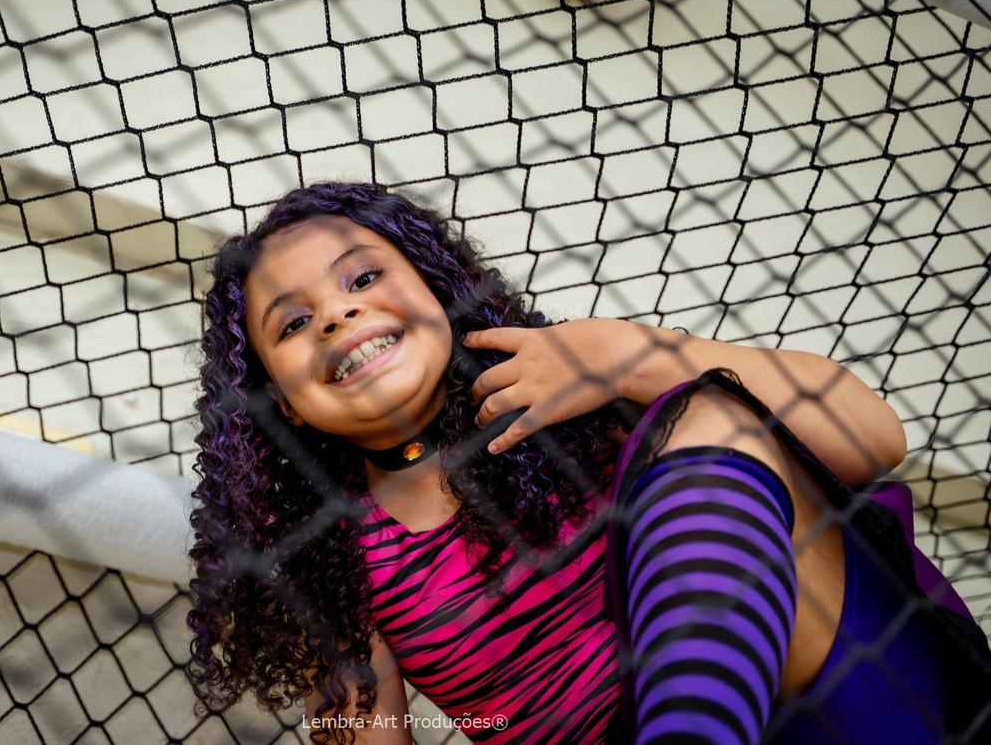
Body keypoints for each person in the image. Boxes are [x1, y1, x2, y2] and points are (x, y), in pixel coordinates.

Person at [185, 182, 989, 744]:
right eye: (293, 324)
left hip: (861, 704)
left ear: (433, 289)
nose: (337, 313)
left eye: (363, 277)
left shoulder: (577, 386)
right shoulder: (332, 568)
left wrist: (626, 355)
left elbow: (876, 438)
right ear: (281, 404)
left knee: (706, 413)